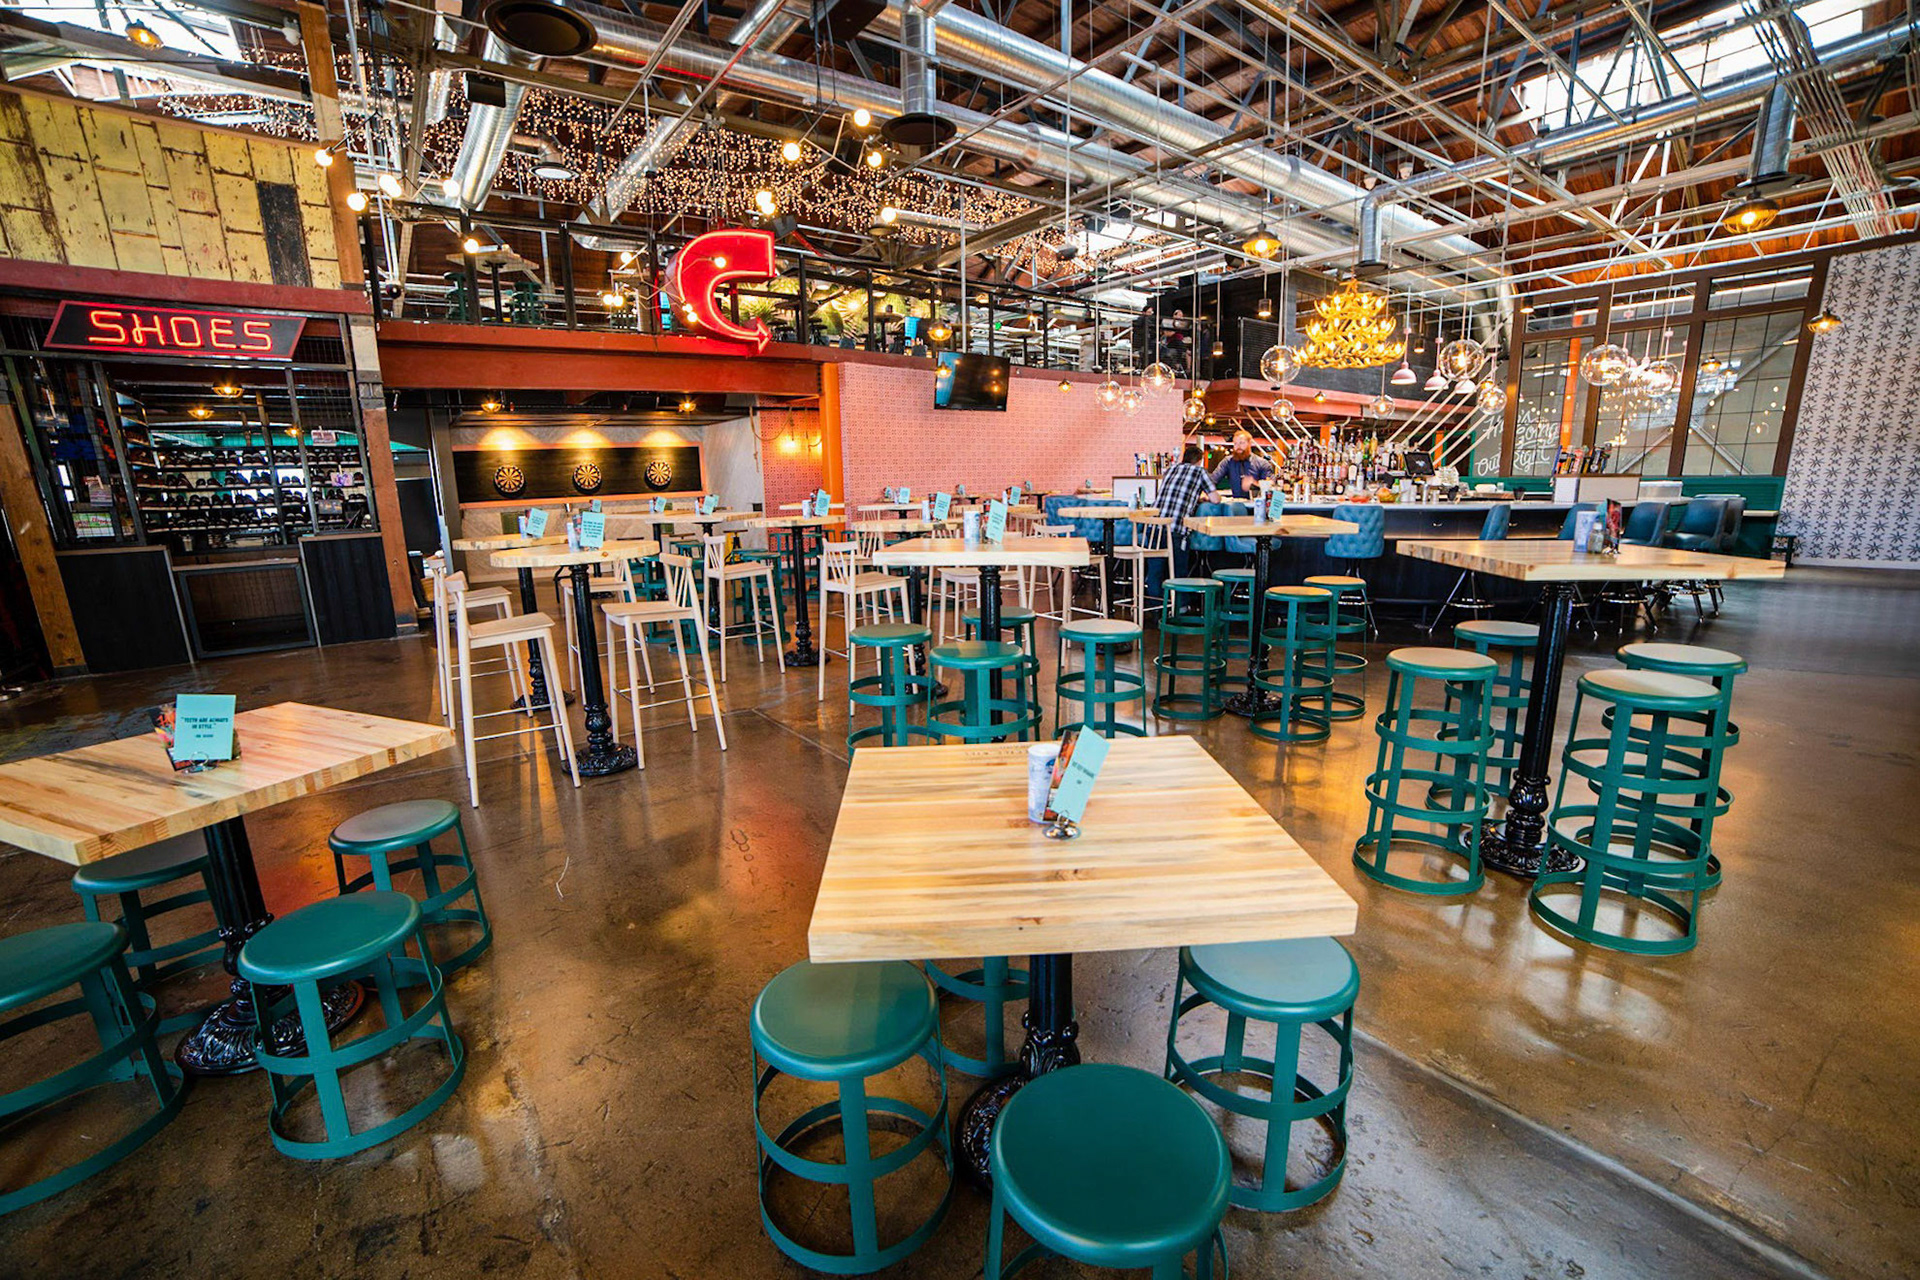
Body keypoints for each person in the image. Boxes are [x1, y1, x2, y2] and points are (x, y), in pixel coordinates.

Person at [1153, 442, 1213, 583]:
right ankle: (1179, 597)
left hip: (1154, 526)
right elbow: (1215, 499)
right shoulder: (1199, 471)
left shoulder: (1170, 469)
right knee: (1179, 572)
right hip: (1176, 528)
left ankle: (1152, 597)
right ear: (1199, 461)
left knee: (1155, 571)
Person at [1209, 429, 1276, 498]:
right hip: (1236, 502)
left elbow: (1272, 484)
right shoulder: (1228, 461)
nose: (1238, 446)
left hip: (1257, 502)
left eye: (1241, 443)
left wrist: (1254, 482)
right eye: (1235, 443)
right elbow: (1213, 480)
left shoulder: (1262, 463)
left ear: (1250, 443)